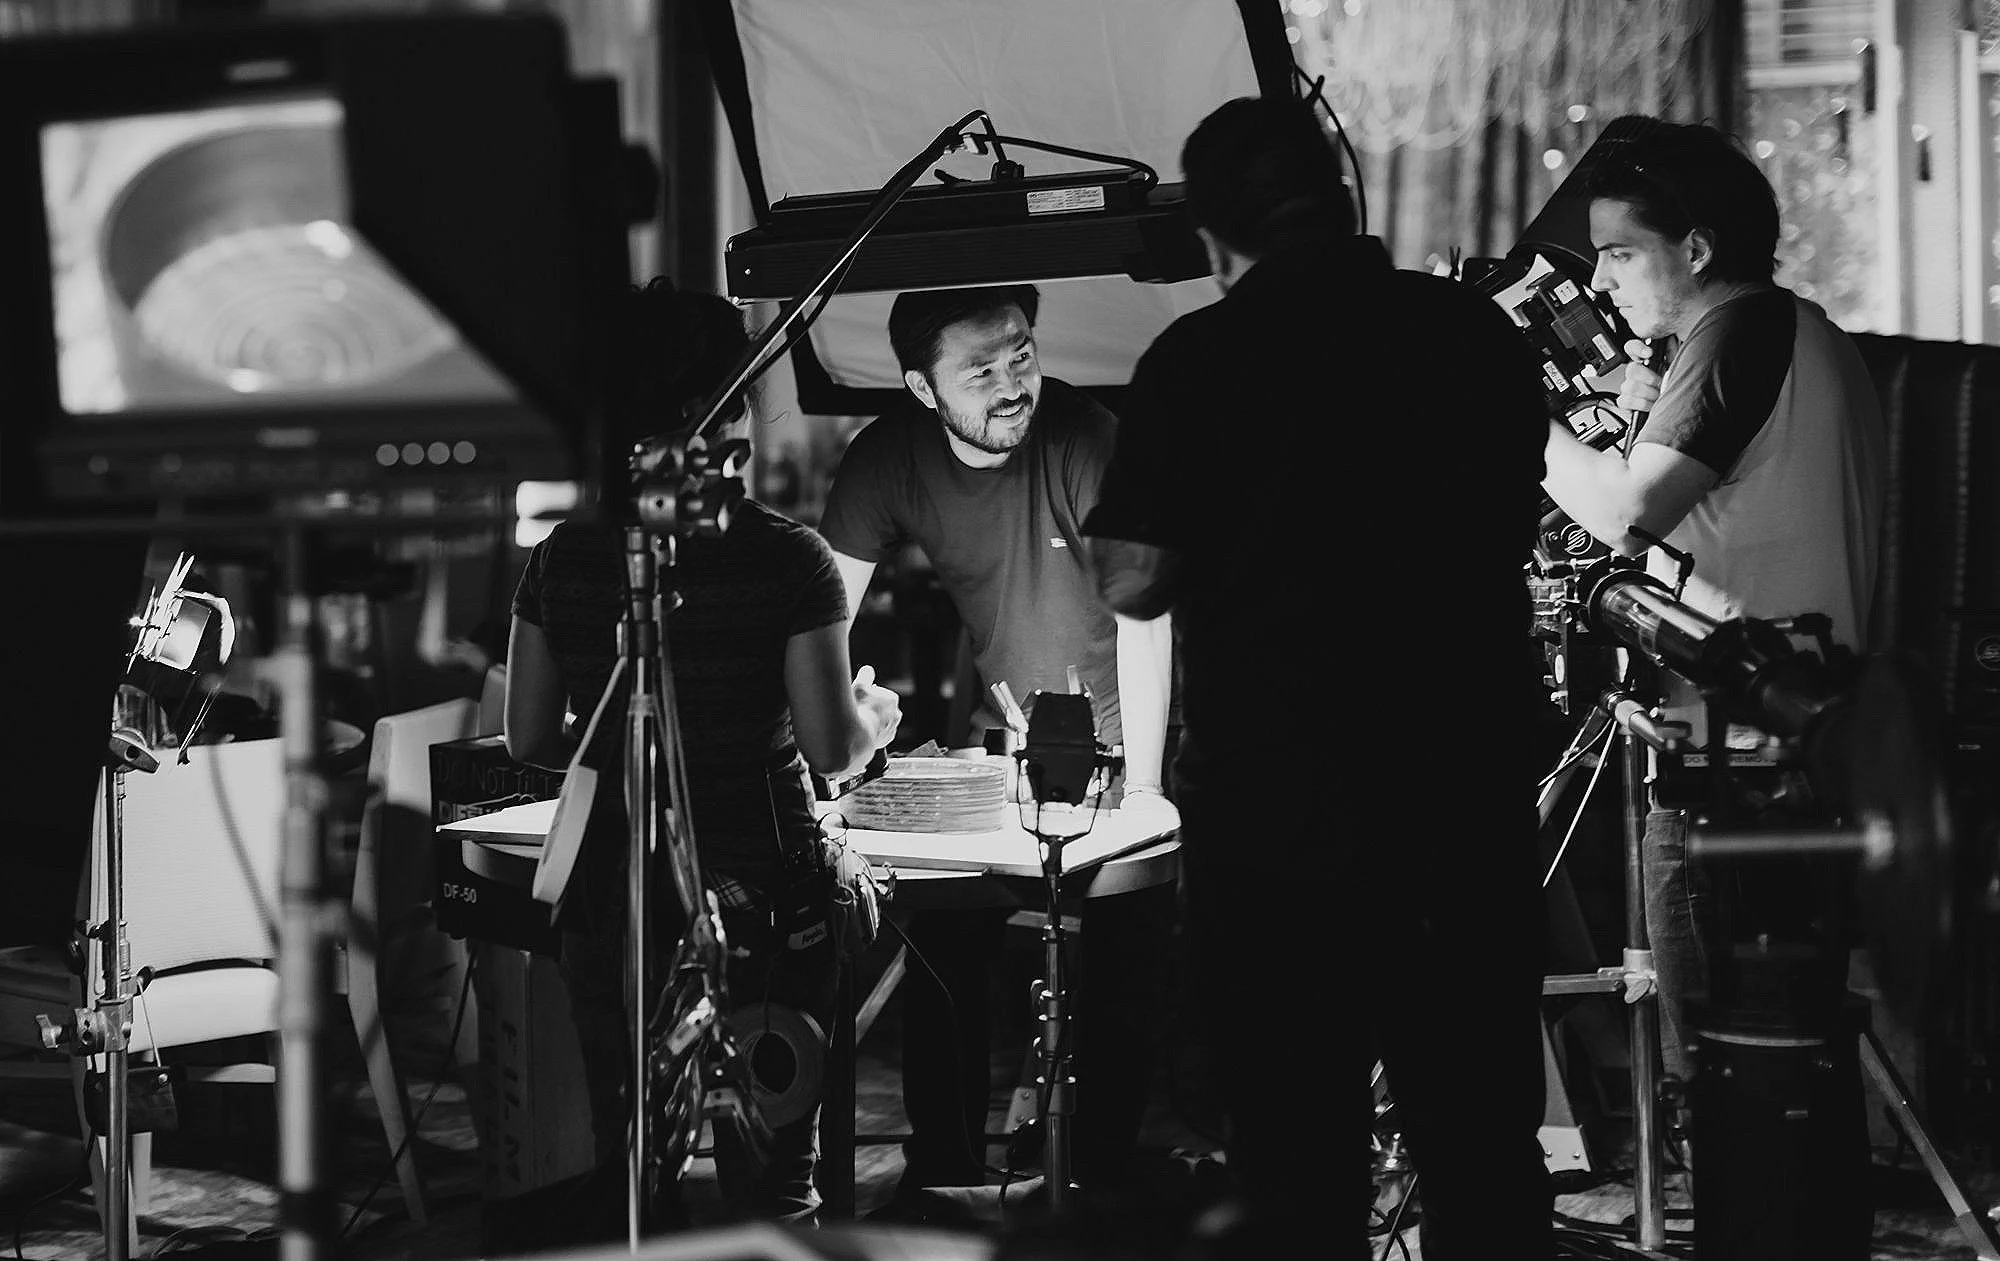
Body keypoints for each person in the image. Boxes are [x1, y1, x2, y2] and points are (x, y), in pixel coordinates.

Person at [1081, 95, 1553, 1257]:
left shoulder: (1197, 360)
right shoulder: (1470, 334)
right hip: (1459, 802)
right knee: (1483, 1146)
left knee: (1295, 1163)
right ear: (1343, 198)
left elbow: (1131, 580)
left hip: (1278, 824)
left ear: (1211, 238)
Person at [504, 277, 902, 1235]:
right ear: (714, 411)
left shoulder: (564, 555)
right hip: (768, 897)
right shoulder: (789, 559)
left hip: (615, 896)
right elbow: (830, 748)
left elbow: (529, 738)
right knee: (775, 1178)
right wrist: (872, 718)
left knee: (635, 1163)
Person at [1539, 118, 1887, 1149]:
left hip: (1735, 759)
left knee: (1730, 1073)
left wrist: (1515, 410)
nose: (1602, 281)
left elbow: (1622, 514)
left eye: (1619, 253)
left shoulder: (1736, 331)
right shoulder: (1793, 328)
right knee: (1784, 1060)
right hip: (1796, 740)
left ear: (1693, 249)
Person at [817, 285, 1179, 1199]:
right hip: (1005, 732)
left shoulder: (1087, 437)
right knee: (943, 930)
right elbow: (818, 619)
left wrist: (1143, 788)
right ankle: (943, 1173)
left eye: (1020, 353)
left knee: (1127, 935)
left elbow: (1146, 619)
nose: (1013, 382)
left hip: (1129, 723)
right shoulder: (887, 458)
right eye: (980, 370)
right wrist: (826, 741)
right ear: (922, 387)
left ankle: (1093, 1181)